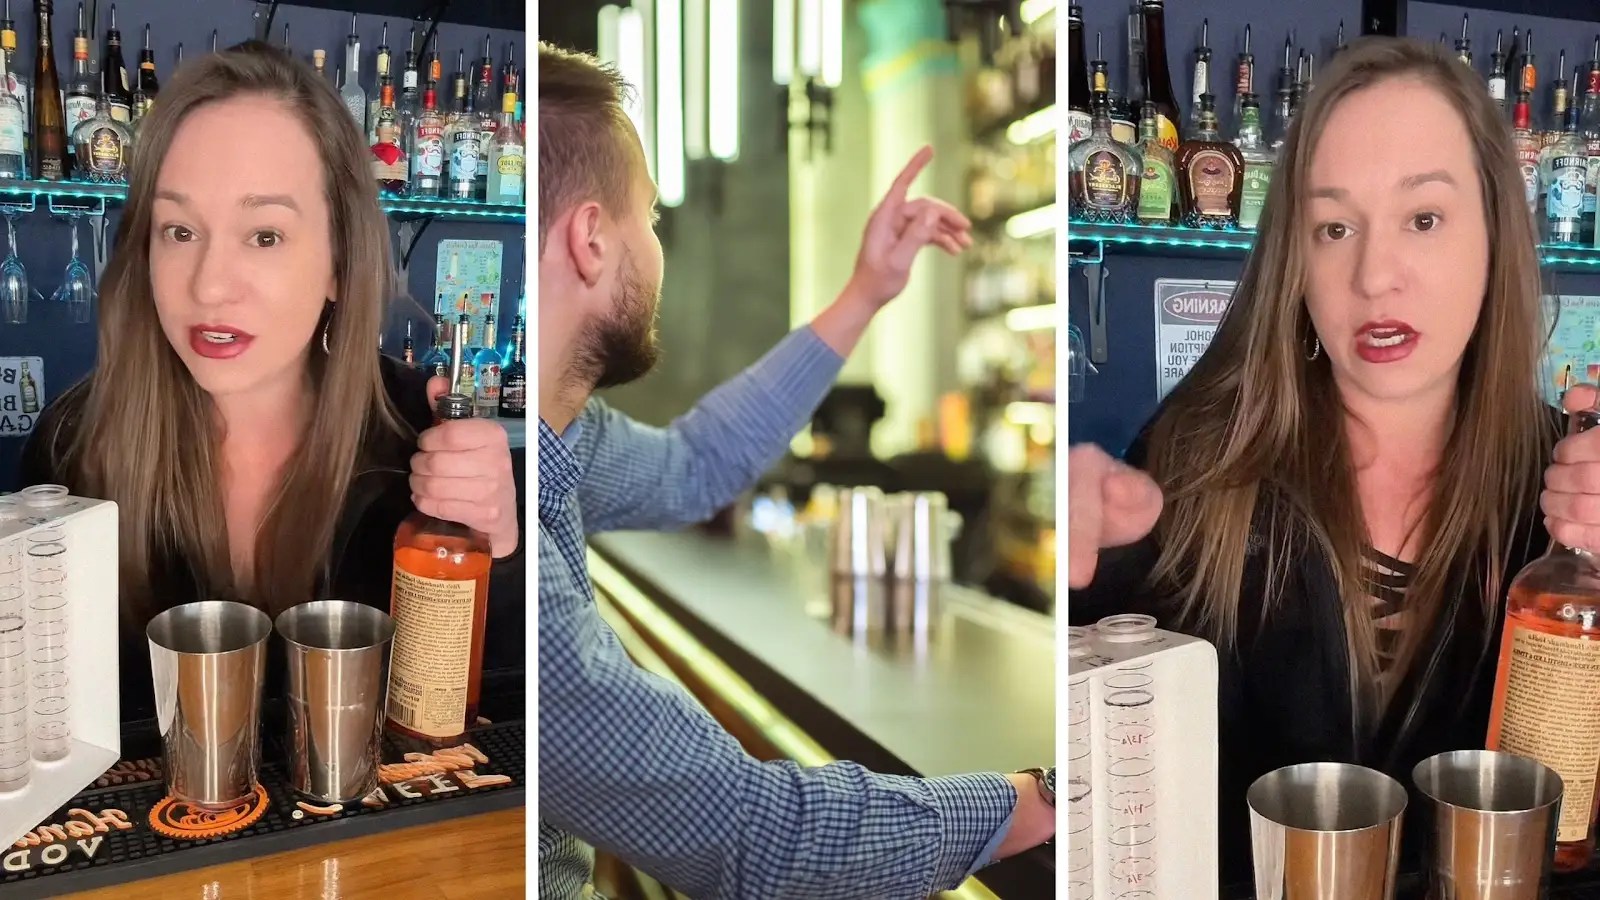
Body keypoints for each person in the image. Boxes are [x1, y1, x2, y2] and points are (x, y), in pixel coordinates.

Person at [1067, 36, 1600, 881]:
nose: (1374, 274)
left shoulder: (1569, 499)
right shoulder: (1197, 460)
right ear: (1295, 261)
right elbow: (1086, 788)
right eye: (1334, 226)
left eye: (1423, 219)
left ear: (1497, 233)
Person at [537, 43, 1054, 898]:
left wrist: (865, 293)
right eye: (653, 219)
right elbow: (756, 837)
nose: (660, 249)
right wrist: (1035, 796)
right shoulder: (508, 523)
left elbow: (697, 464)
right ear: (593, 241)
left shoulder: (562, 441)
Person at [18, 41, 525, 722]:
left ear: (340, 265)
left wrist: (501, 551)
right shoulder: (71, 446)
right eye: (178, 230)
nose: (210, 285)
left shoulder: (419, 437)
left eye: (264, 236)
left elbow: (498, 729)